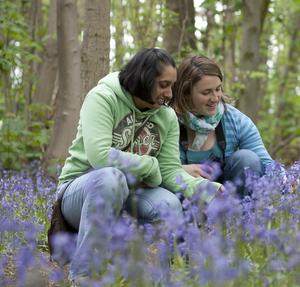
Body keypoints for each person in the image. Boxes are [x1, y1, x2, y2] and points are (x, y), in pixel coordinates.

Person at [55, 48, 222, 283]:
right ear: (143, 78)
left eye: (172, 86)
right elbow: (100, 156)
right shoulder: (103, 97)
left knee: (169, 205)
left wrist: (202, 188)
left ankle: (135, 271)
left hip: (131, 196)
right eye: (163, 85)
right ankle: (84, 276)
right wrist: (149, 166)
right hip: (81, 194)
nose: (169, 93)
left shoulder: (166, 117)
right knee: (111, 178)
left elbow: (170, 171)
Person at [169, 54, 279, 199]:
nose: (215, 98)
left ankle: (238, 218)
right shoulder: (169, 120)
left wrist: (286, 179)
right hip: (185, 197)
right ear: (186, 94)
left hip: (227, 196)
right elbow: (153, 169)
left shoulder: (235, 120)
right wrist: (179, 171)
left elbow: (265, 163)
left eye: (218, 89)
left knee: (248, 159)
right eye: (206, 92)